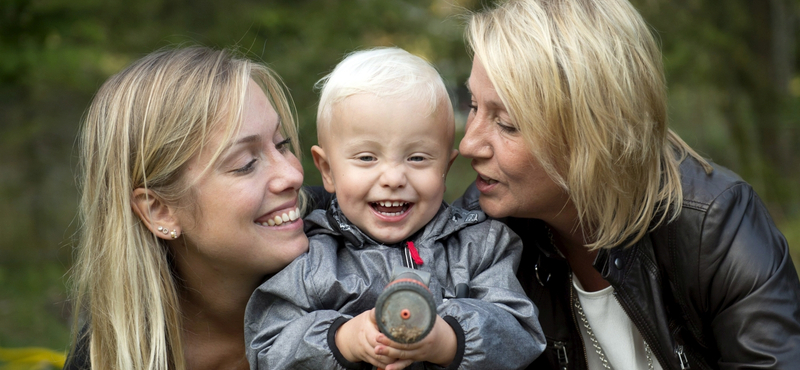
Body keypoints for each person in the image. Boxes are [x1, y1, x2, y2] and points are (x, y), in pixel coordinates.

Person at [452, 0, 800, 369]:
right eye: (473, 105)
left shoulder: (714, 227)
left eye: (506, 123)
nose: (468, 144)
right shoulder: (479, 234)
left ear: (593, 132)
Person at [245, 47, 545, 370]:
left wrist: (449, 339)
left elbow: (521, 330)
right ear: (327, 170)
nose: (392, 178)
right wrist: (343, 339)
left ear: (446, 168)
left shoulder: (479, 246)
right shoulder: (313, 258)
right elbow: (267, 345)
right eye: (367, 158)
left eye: (416, 158)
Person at [65, 46, 309, 370]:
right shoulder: (104, 358)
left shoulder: (365, 254)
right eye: (246, 164)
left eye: (282, 145)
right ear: (159, 211)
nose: (293, 174)